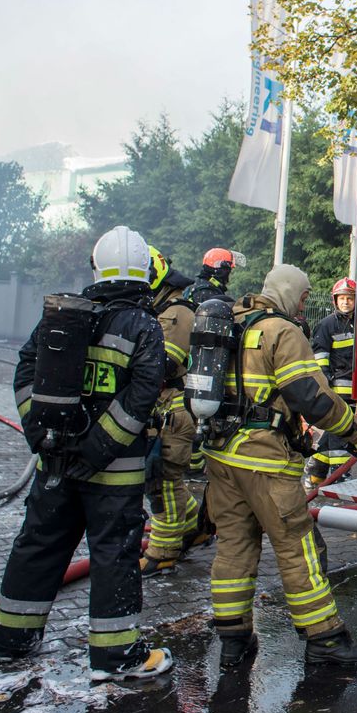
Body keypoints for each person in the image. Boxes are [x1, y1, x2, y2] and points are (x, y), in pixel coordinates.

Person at [0, 226, 172, 681]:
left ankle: (12, 639)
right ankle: (117, 655)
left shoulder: (65, 316)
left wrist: (42, 435)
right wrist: (99, 448)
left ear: (97, 267)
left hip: (54, 462)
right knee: (114, 553)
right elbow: (144, 391)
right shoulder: (142, 324)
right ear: (146, 273)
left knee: (39, 544)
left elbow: (25, 371)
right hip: (112, 472)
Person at [199, 263, 357, 669]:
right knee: (299, 547)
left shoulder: (231, 325)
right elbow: (312, 399)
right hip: (262, 459)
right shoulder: (281, 332)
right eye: (301, 298)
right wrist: (355, 431)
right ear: (286, 292)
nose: (302, 307)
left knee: (233, 546)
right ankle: (326, 640)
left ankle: (233, 642)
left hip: (221, 457)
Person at [140, 247, 215, 576]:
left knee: (163, 483)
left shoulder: (175, 313)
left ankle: (162, 553)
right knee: (166, 480)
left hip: (174, 408)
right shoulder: (163, 310)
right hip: (166, 407)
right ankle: (193, 528)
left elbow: (162, 365)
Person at [307, 277, 357, 486]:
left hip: (356, 388)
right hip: (336, 386)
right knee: (340, 426)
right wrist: (325, 382)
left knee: (339, 426)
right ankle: (339, 472)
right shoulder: (326, 325)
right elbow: (320, 356)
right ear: (335, 301)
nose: (346, 302)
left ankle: (316, 470)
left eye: (350, 299)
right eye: (342, 298)